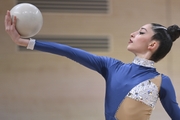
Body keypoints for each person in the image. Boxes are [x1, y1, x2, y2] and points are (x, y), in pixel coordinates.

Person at [4, 10, 180, 120]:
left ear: (152, 45)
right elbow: (69, 51)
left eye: (141, 32)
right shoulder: (112, 66)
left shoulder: (162, 82)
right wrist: (25, 42)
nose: (133, 34)